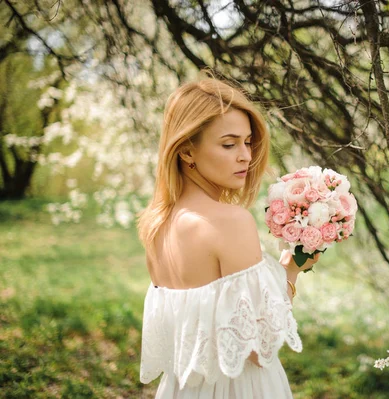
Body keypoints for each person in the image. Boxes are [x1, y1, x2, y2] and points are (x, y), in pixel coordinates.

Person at [136, 75, 320, 398]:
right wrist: (290, 271)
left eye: (248, 142)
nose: (246, 157)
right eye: (229, 144)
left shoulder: (156, 225)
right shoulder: (231, 222)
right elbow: (256, 346)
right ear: (187, 152)